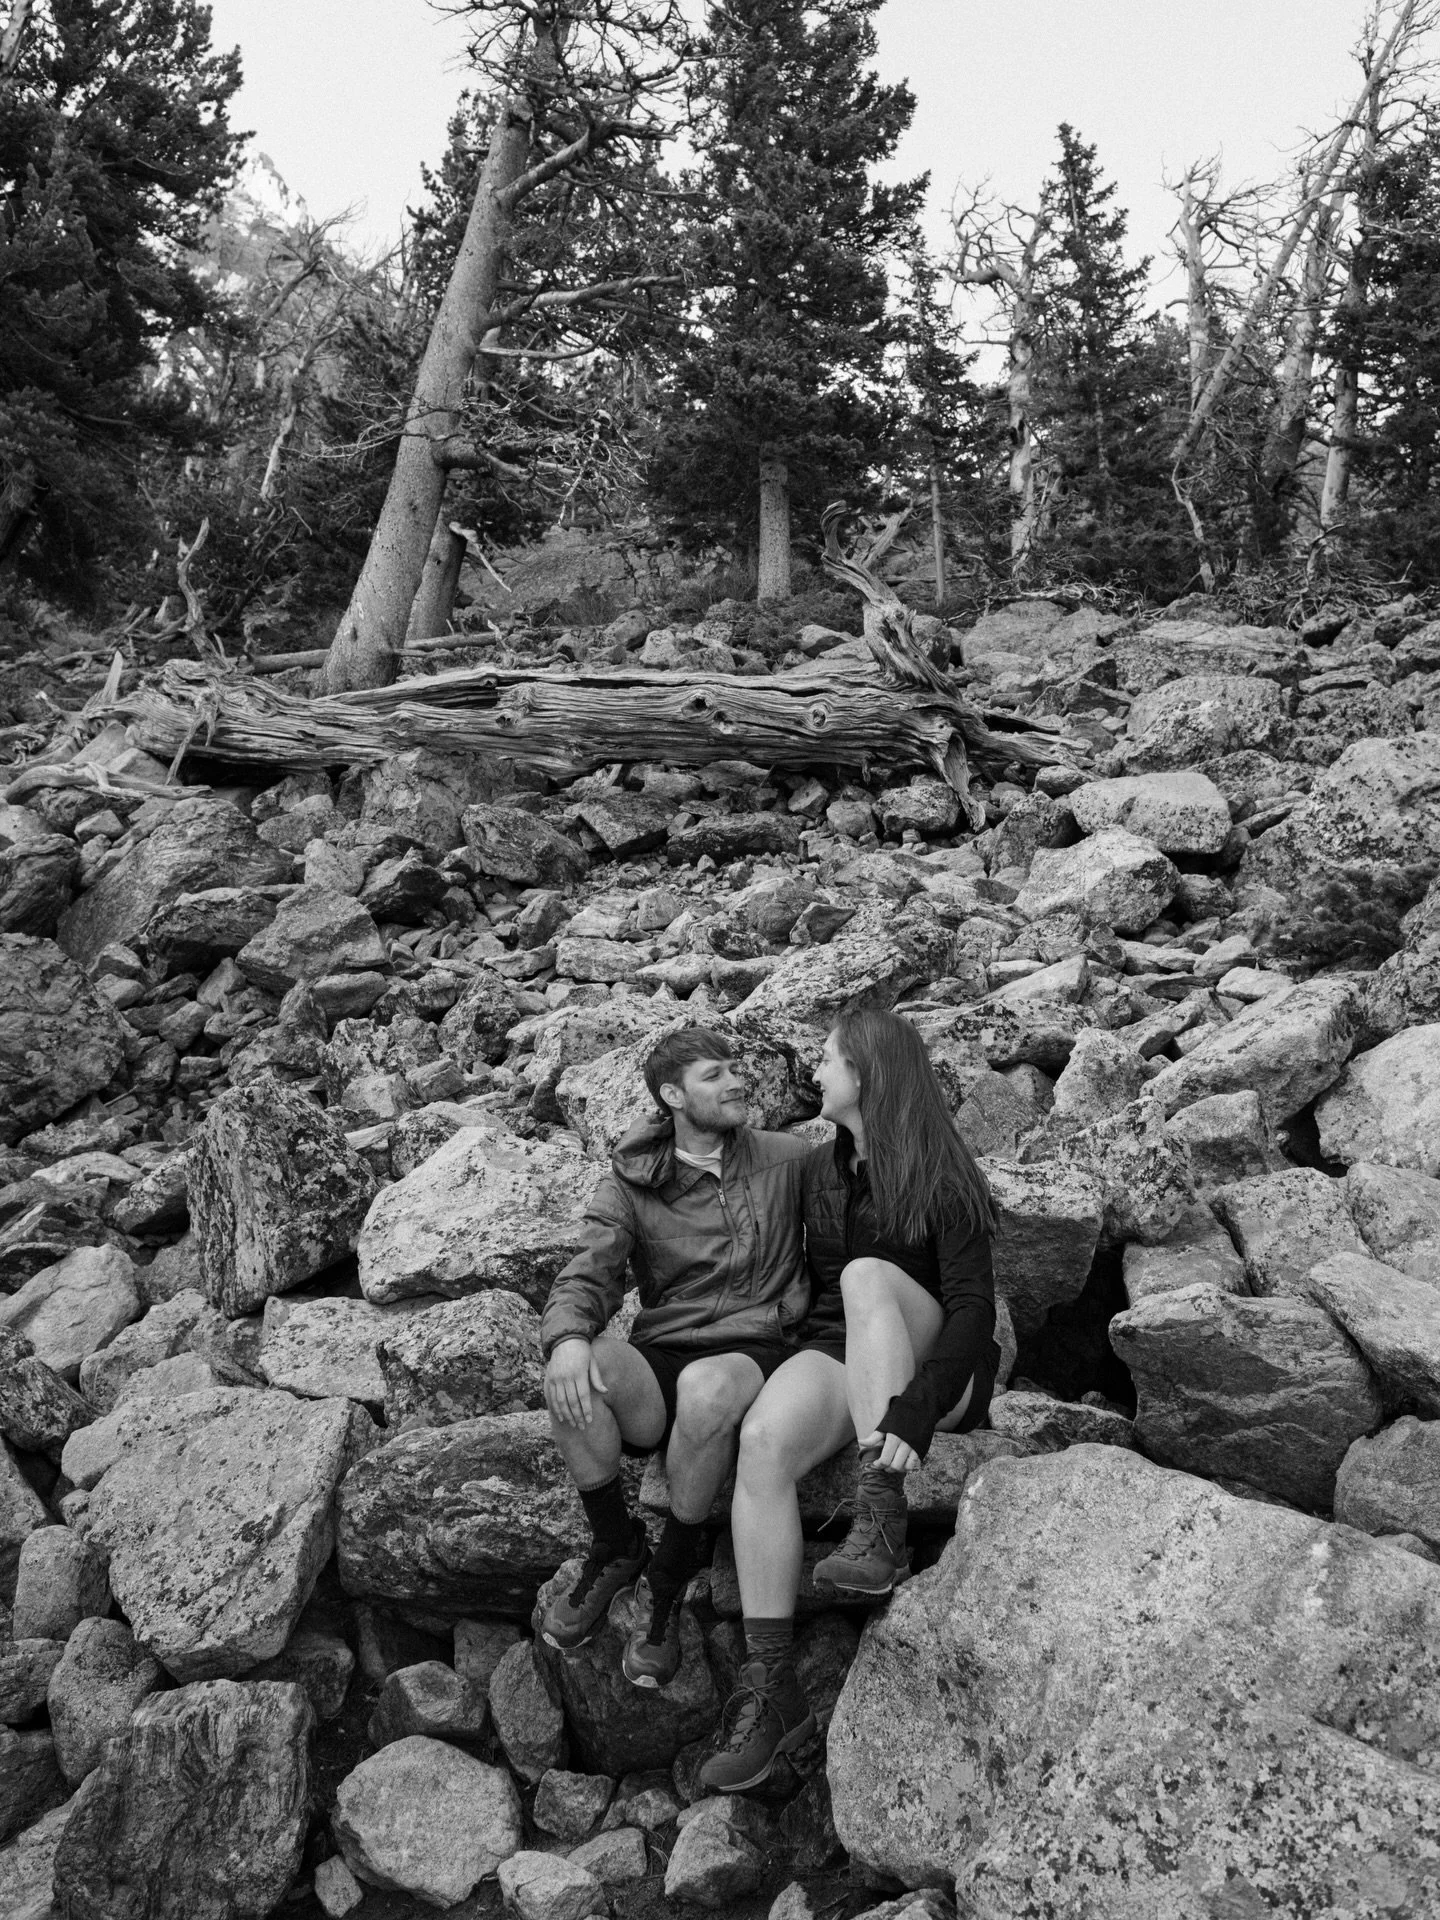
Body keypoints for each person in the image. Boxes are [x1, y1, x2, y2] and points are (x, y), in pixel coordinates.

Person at [699, 1008, 999, 1792]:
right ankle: (773, 1690)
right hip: (843, 1350)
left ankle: (881, 1523)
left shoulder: (944, 1170)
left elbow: (972, 1312)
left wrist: (919, 1404)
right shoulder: (820, 1168)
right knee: (762, 1443)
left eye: (828, 1060)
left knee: (867, 1275)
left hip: (943, 1368)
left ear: (866, 1074)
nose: (816, 1073)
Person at [538, 1025, 811, 1688]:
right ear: (673, 1095)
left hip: (753, 1345)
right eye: (715, 1075)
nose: (736, 1081)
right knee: (579, 1367)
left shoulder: (789, 1158)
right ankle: (616, 1546)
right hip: (664, 1348)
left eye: (735, 1068)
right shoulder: (633, 1183)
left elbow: (864, 1201)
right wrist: (569, 1337)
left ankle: (669, 1574)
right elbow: (590, 1272)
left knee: (709, 1391)